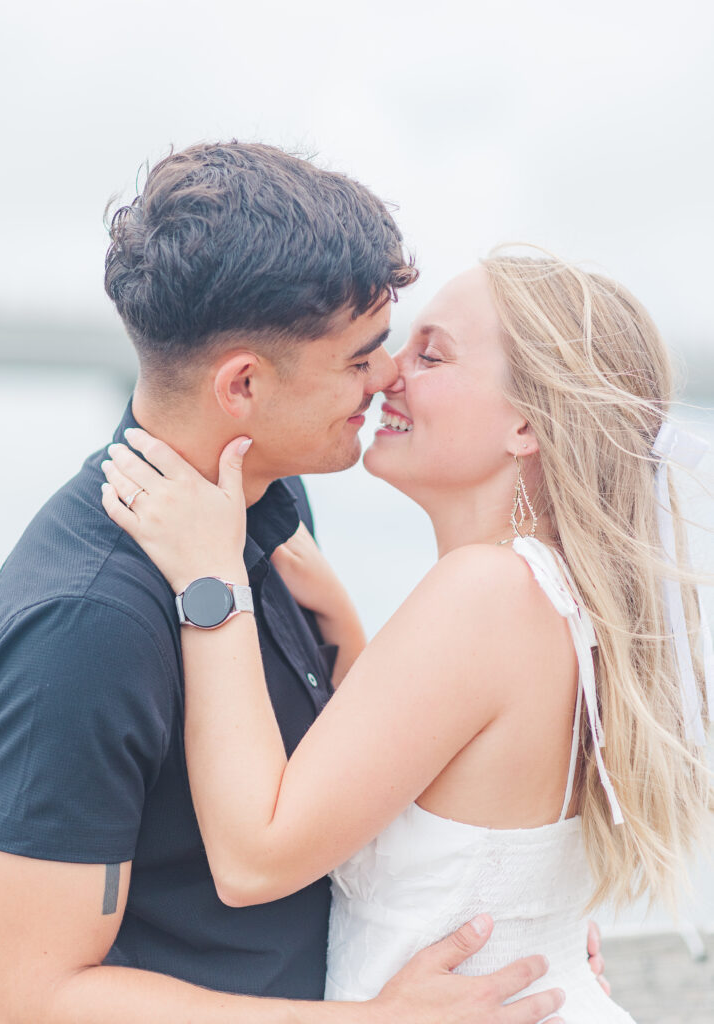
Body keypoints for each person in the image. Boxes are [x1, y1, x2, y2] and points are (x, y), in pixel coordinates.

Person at [0, 144, 572, 1024]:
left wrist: (537, 921)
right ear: (243, 384)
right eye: (360, 358)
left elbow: (349, 774)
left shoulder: (277, 510)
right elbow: (28, 996)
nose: (388, 378)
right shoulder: (83, 624)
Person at [100, 249, 712, 1023]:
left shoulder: (484, 593)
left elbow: (253, 859)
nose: (388, 373)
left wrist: (209, 582)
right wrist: (352, 636)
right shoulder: (546, 594)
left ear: (525, 423)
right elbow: (447, 781)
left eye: (432, 354)